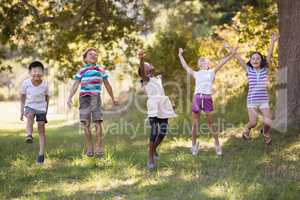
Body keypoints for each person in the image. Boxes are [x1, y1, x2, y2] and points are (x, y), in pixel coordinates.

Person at [178, 46, 237, 156]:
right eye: (200, 61)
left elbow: (222, 62)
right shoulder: (196, 73)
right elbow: (185, 66)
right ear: (199, 65)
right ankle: (194, 146)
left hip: (207, 98)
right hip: (197, 98)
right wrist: (180, 55)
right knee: (195, 124)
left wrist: (231, 54)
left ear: (208, 64)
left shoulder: (212, 72)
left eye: (204, 61)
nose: (202, 62)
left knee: (211, 123)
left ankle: (217, 144)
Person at [225, 33, 278, 145]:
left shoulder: (265, 69)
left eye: (257, 58)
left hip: (263, 100)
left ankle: (266, 133)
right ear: (250, 61)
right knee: (253, 123)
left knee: (268, 121)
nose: (255, 60)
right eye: (253, 58)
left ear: (261, 60)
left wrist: (273, 41)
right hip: (252, 101)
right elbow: (237, 57)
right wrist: (230, 48)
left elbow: (269, 55)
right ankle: (246, 130)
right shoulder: (248, 70)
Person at [67, 48, 118, 158]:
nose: (93, 55)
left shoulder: (100, 70)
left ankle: (99, 146)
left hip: (96, 98)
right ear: (85, 58)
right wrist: (70, 97)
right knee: (86, 123)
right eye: (90, 54)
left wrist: (113, 98)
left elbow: (107, 85)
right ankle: (90, 147)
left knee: (98, 122)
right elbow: (75, 85)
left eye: (95, 54)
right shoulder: (81, 71)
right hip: (84, 98)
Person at [138, 50, 176, 169]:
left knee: (163, 131)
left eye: (148, 64)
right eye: (145, 66)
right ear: (143, 71)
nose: (148, 65)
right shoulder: (145, 80)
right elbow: (143, 72)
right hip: (154, 107)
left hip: (163, 105)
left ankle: (153, 149)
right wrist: (141, 59)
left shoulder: (157, 77)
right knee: (154, 131)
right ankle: (150, 156)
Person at [20, 61, 50, 164]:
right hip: (29, 106)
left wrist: (46, 111)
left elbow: (47, 98)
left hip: (41, 108)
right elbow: (22, 97)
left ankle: (41, 154)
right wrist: (21, 110)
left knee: (41, 128)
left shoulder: (45, 85)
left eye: (39, 71)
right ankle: (29, 135)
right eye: (34, 71)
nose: (36, 73)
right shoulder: (26, 83)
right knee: (30, 116)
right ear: (30, 72)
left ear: (42, 72)